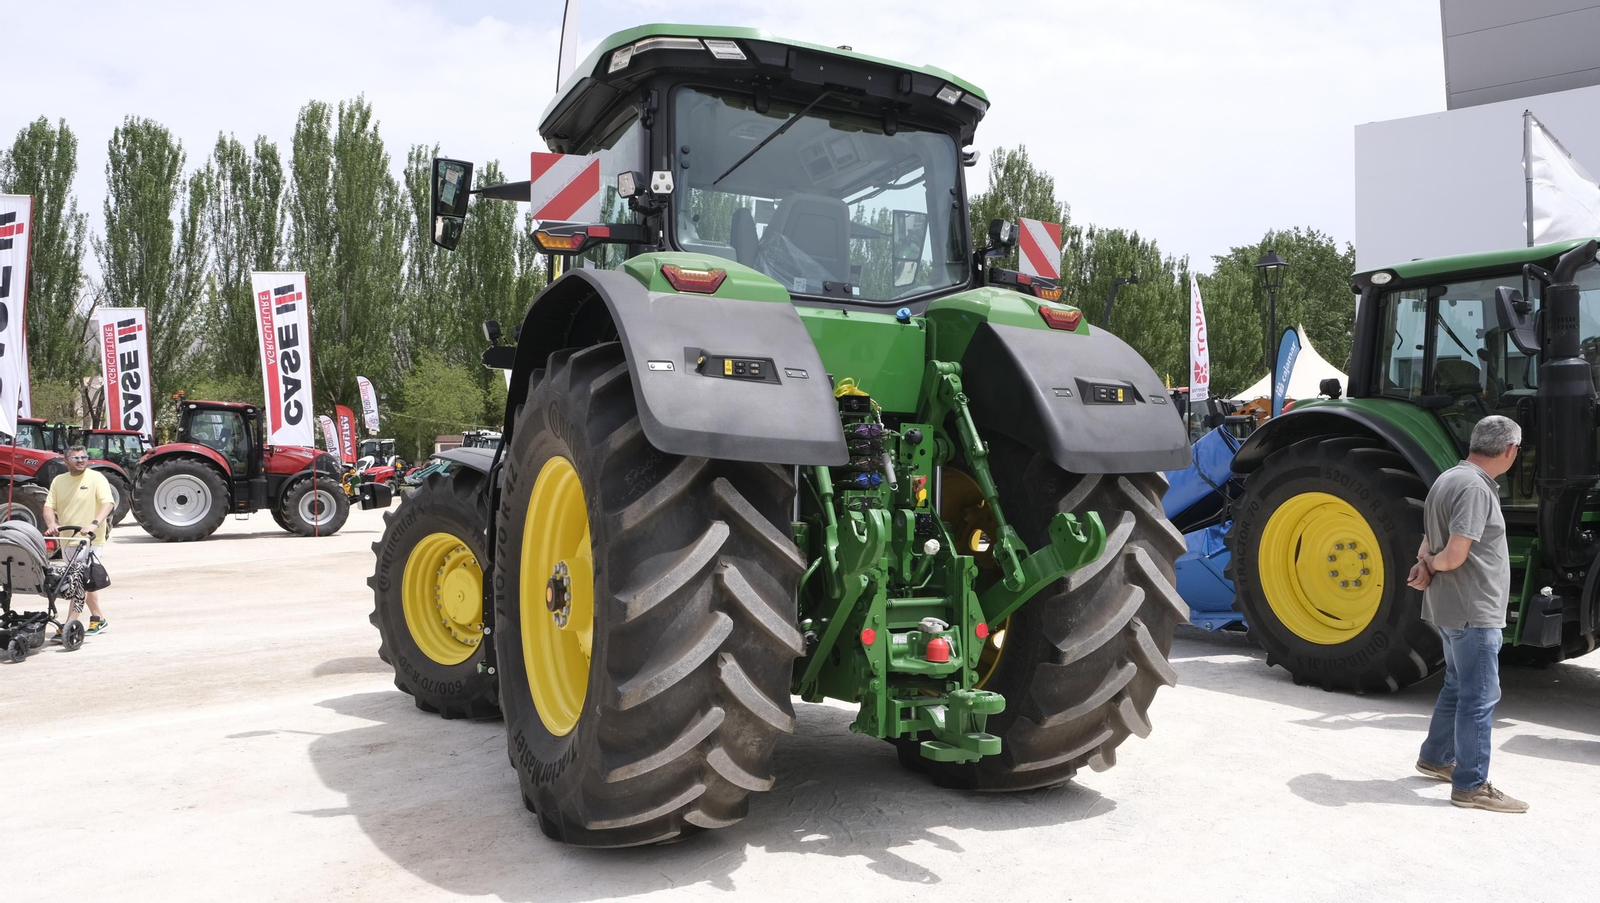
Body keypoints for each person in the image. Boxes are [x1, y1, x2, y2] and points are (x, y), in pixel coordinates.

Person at [1406, 415, 1526, 813]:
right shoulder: (1475, 488)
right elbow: (1454, 555)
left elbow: (1429, 541)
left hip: (1452, 607)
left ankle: (1436, 758)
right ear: (1509, 450)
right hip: (1474, 610)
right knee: (1479, 697)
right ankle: (1471, 786)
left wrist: (1425, 562)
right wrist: (1433, 564)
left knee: (1458, 686)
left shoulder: (1448, 478)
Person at [42, 444, 116, 639]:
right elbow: (49, 506)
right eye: (76, 458)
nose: (81, 460)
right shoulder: (59, 481)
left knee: (78, 581)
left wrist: (94, 524)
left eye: (84, 457)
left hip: (90, 540)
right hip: (67, 539)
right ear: (66, 461)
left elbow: (108, 503)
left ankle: (69, 624)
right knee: (84, 580)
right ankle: (98, 618)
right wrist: (52, 524)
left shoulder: (96, 478)